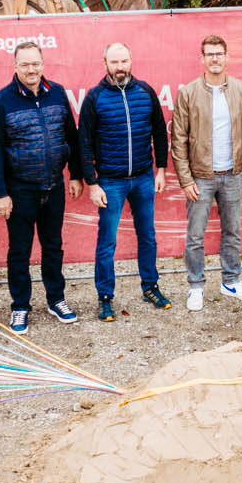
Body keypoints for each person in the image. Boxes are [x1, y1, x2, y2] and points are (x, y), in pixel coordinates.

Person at [0, 41, 87, 333]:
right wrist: (0, 193)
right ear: (15, 66)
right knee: (19, 251)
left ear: (43, 64)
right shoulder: (1, 101)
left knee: (53, 246)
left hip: (54, 186)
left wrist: (75, 175)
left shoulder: (58, 93)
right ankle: (20, 306)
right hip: (20, 191)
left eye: (35, 64)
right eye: (25, 64)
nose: (31, 69)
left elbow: (71, 135)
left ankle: (56, 300)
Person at [78, 41, 172, 322]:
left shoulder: (145, 91)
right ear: (105, 64)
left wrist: (161, 169)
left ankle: (150, 287)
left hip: (143, 177)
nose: (120, 67)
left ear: (131, 61)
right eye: (114, 62)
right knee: (107, 242)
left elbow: (159, 131)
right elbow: (84, 143)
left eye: (124, 61)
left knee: (148, 236)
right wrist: (92, 183)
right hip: (110, 182)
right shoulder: (94, 98)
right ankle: (105, 297)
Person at [171, 34, 242, 309]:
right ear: (202, 59)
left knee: (232, 232)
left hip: (233, 174)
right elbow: (178, 139)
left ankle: (231, 281)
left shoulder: (240, 89)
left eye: (219, 53)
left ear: (227, 57)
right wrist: (185, 179)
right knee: (195, 236)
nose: (214, 58)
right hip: (200, 177)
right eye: (209, 54)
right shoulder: (188, 92)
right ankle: (196, 286)